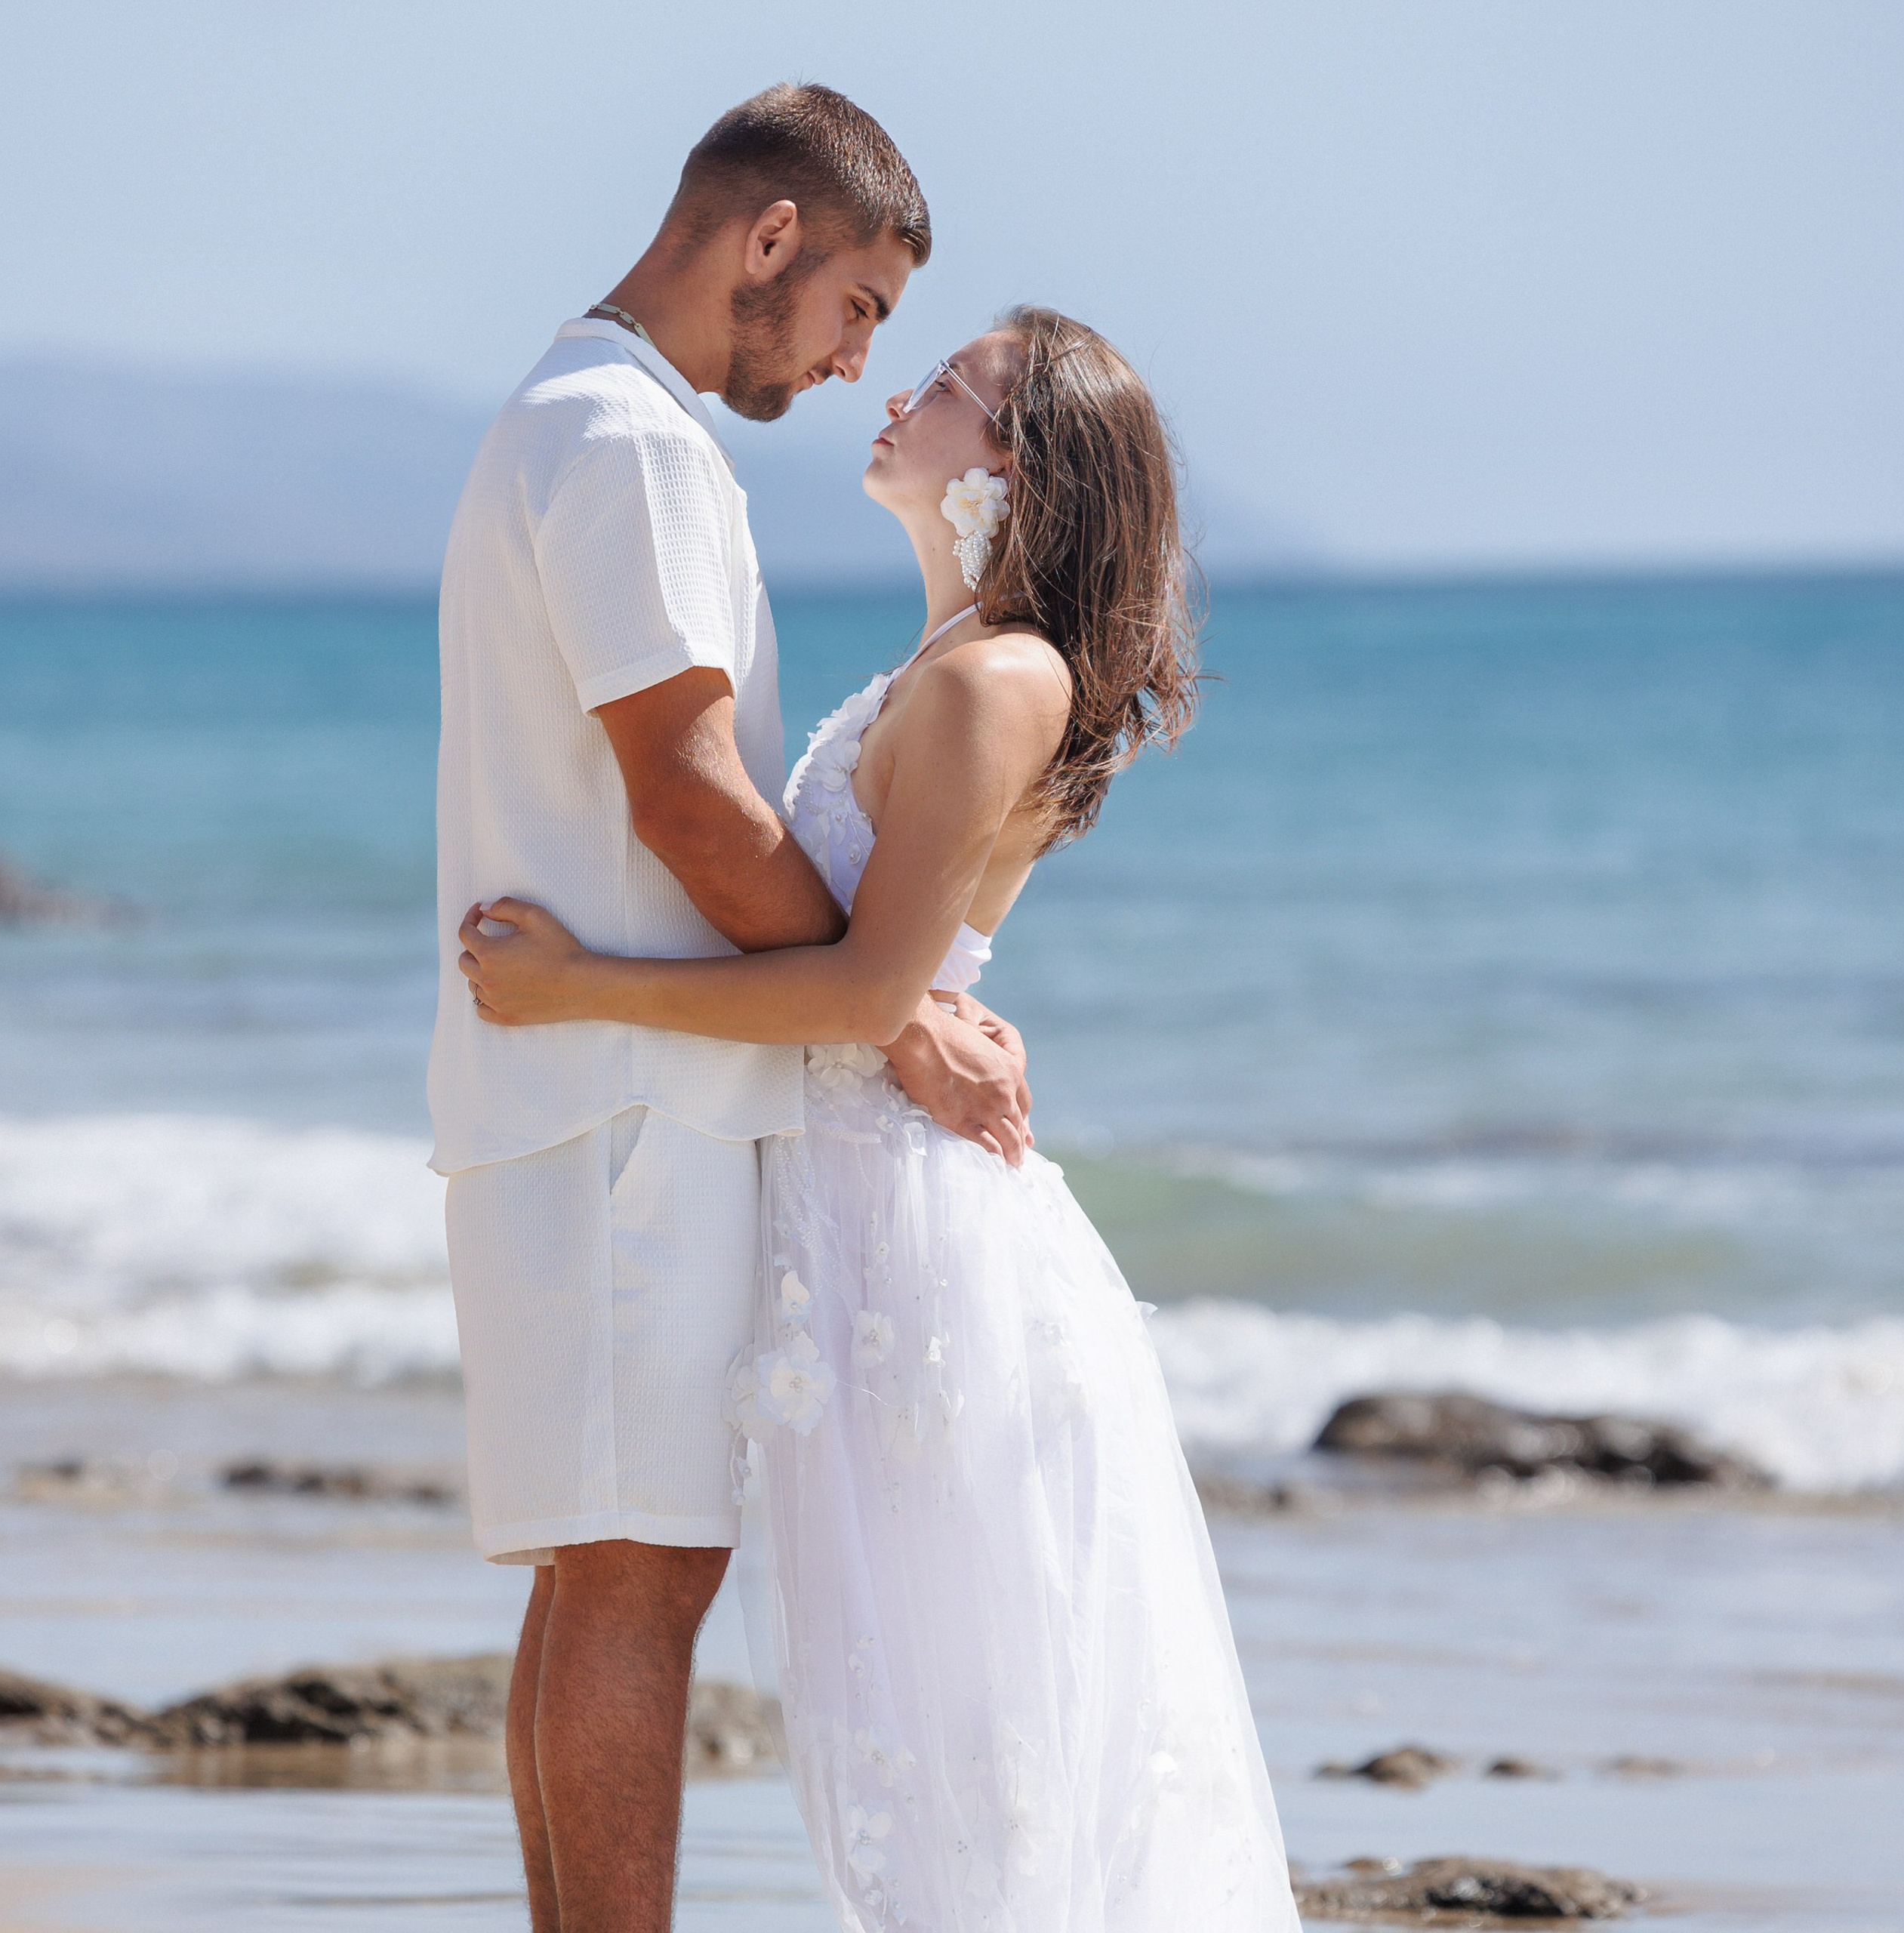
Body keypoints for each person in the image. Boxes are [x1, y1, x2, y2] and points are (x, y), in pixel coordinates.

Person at [461, 307, 1302, 1930]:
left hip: (917, 1249)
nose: (898, 390)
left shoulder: (997, 680)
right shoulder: (941, 660)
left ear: (1014, 466)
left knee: (951, 1723)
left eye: (954, 388)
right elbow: (873, 977)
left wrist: (585, 985)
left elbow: (854, 995)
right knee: (904, 1723)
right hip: (848, 1220)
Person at [428, 84, 1032, 1933]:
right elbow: (688, 795)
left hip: (580, 1084)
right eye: (857, 303)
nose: (861, 359)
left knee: (595, 1574)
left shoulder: (566, 415)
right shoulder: (627, 441)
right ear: (769, 240)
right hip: (631, 1104)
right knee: (636, 1575)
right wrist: (891, 1009)